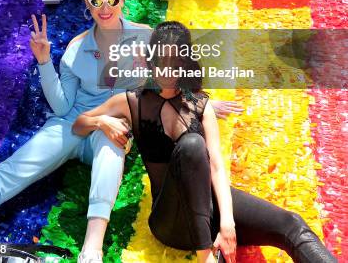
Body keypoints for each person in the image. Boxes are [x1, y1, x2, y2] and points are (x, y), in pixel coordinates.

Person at [0, 0, 242, 263]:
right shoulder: (75, 48)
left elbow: (168, 77)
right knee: (6, 174)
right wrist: (45, 62)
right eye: (96, 1)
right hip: (71, 124)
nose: (105, 7)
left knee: (113, 144)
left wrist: (199, 105)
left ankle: (91, 250)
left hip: (114, 126)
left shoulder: (146, 38)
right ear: (88, 4)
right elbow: (62, 107)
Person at [73, 21, 337, 263]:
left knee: (291, 224)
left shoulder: (201, 105)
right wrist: (101, 122)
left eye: (175, 62)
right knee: (192, 146)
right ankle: (205, 256)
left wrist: (228, 223)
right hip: (170, 222)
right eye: (161, 61)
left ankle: (213, 247)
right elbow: (80, 123)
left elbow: (217, 168)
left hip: (207, 210)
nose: (168, 70)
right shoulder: (133, 101)